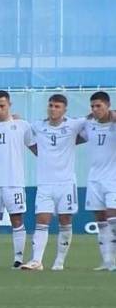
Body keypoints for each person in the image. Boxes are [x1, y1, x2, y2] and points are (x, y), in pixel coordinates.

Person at [21, 94, 86, 271]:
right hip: (45, 183)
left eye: (57, 106)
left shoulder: (73, 125)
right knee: (42, 220)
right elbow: (24, 132)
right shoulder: (38, 126)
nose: (53, 109)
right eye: (50, 105)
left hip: (66, 183)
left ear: (65, 109)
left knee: (65, 220)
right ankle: (36, 261)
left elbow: (93, 122)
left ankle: (59, 261)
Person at [0, 90, 35, 269]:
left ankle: (18, 259)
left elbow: (35, 148)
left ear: (9, 105)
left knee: (17, 219)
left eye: (2, 105)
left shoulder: (22, 126)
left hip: (14, 182)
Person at [80, 91, 115, 271]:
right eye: (92, 106)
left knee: (113, 218)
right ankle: (107, 261)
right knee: (101, 220)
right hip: (94, 179)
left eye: (98, 106)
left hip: (113, 179)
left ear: (108, 106)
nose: (95, 109)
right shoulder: (88, 125)